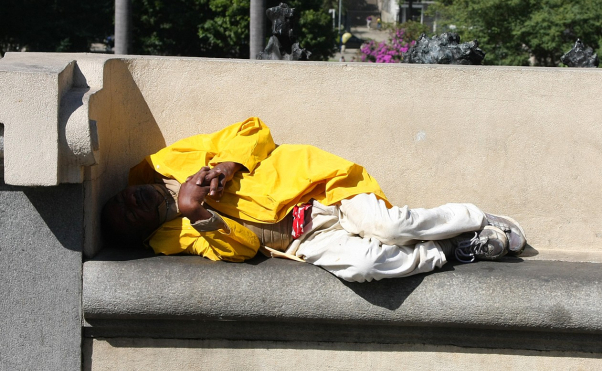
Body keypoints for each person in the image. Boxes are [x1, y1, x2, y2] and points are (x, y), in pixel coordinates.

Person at [101, 117, 527, 282]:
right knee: (364, 266)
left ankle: (476, 217)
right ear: (143, 232)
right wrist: (196, 212)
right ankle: (453, 248)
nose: (130, 202)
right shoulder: (169, 237)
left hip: (320, 190)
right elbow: (244, 249)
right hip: (300, 240)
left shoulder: (167, 160)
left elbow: (252, 130)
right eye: (128, 215)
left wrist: (229, 165)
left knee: (390, 226)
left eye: (121, 199)